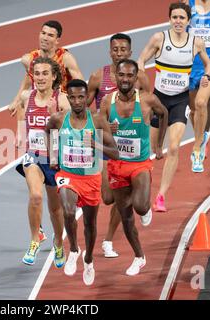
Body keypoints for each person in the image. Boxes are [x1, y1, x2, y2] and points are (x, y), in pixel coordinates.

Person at [138, 1, 210, 211]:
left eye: (182, 18)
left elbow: (207, 62)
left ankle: (160, 196)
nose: (178, 21)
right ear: (169, 19)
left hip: (179, 100)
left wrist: (206, 76)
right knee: (153, 150)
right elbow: (141, 60)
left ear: (189, 21)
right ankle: (156, 151)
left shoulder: (195, 43)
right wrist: (143, 84)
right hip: (159, 99)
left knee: (175, 147)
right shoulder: (160, 38)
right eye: (174, 17)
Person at [46, 79, 119, 285]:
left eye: (81, 97)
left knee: (89, 223)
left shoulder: (97, 121)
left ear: (87, 98)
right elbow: (49, 130)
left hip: (91, 178)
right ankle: (74, 250)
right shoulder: (59, 119)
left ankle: (88, 259)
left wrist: (95, 144)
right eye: (73, 97)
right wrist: (52, 155)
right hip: (68, 175)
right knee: (68, 211)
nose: (77, 101)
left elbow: (114, 152)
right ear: (67, 98)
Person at [101, 59, 168, 275]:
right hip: (116, 165)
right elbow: (99, 128)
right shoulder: (107, 102)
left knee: (139, 207)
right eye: (122, 75)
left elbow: (164, 113)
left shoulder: (147, 100)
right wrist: (107, 131)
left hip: (139, 163)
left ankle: (146, 204)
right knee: (126, 216)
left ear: (136, 77)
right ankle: (139, 257)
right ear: (115, 77)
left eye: (130, 75)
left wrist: (158, 144)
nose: (126, 79)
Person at [87, 33, 151, 259]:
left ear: (130, 52)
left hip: (132, 145)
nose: (119, 53)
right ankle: (137, 193)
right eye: (115, 49)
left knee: (122, 198)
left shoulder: (140, 77)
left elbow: (146, 108)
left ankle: (108, 240)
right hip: (108, 145)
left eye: (123, 50)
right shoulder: (97, 77)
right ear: (110, 51)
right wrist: (103, 125)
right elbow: (86, 111)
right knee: (108, 198)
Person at [15, 57, 70, 267]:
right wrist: (20, 133)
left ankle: (58, 242)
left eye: (45, 73)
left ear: (54, 76)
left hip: (55, 160)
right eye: (36, 73)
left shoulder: (62, 99)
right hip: (33, 157)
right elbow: (21, 111)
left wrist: (54, 114)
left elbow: (71, 128)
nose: (40, 77)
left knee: (56, 210)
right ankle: (34, 240)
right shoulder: (25, 96)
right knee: (36, 196)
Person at [9, 20, 83, 117]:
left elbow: (81, 86)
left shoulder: (65, 58)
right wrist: (16, 100)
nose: (45, 38)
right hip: (39, 105)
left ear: (57, 40)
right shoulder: (29, 59)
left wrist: (77, 108)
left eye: (50, 35)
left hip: (61, 108)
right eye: (43, 33)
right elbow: (28, 78)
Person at [182, 0, 210, 172]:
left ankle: (197, 149)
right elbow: (179, 31)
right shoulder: (188, 4)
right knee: (195, 110)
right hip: (192, 64)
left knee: (201, 103)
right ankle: (203, 135)